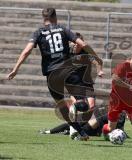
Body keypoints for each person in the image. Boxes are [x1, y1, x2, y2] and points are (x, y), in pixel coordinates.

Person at [6, 8, 104, 141]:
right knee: (84, 105)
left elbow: (27, 50)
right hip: (68, 71)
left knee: (63, 107)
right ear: (55, 17)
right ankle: (76, 107)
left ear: (43, 18)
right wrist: (97, 58)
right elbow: (83, 44)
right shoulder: (63, 29)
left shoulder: (39, 32)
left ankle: (81, 132)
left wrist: (16, 68)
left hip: (52, 75)